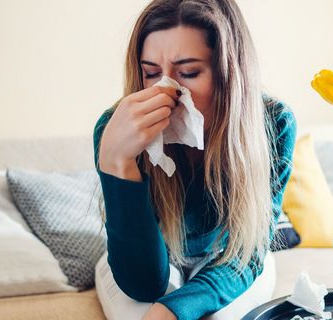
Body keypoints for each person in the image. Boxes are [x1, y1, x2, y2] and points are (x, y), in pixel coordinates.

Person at [91, 0, 297, 319]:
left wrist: (176, 309)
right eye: (151, 73)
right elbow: (143, 283)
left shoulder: (271, 122)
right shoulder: (115, 130)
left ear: (228, 74)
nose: (168, 89)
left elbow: (247, 254)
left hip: (231, 258)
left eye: (188, 72)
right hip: (147, 260)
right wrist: (117, 162)